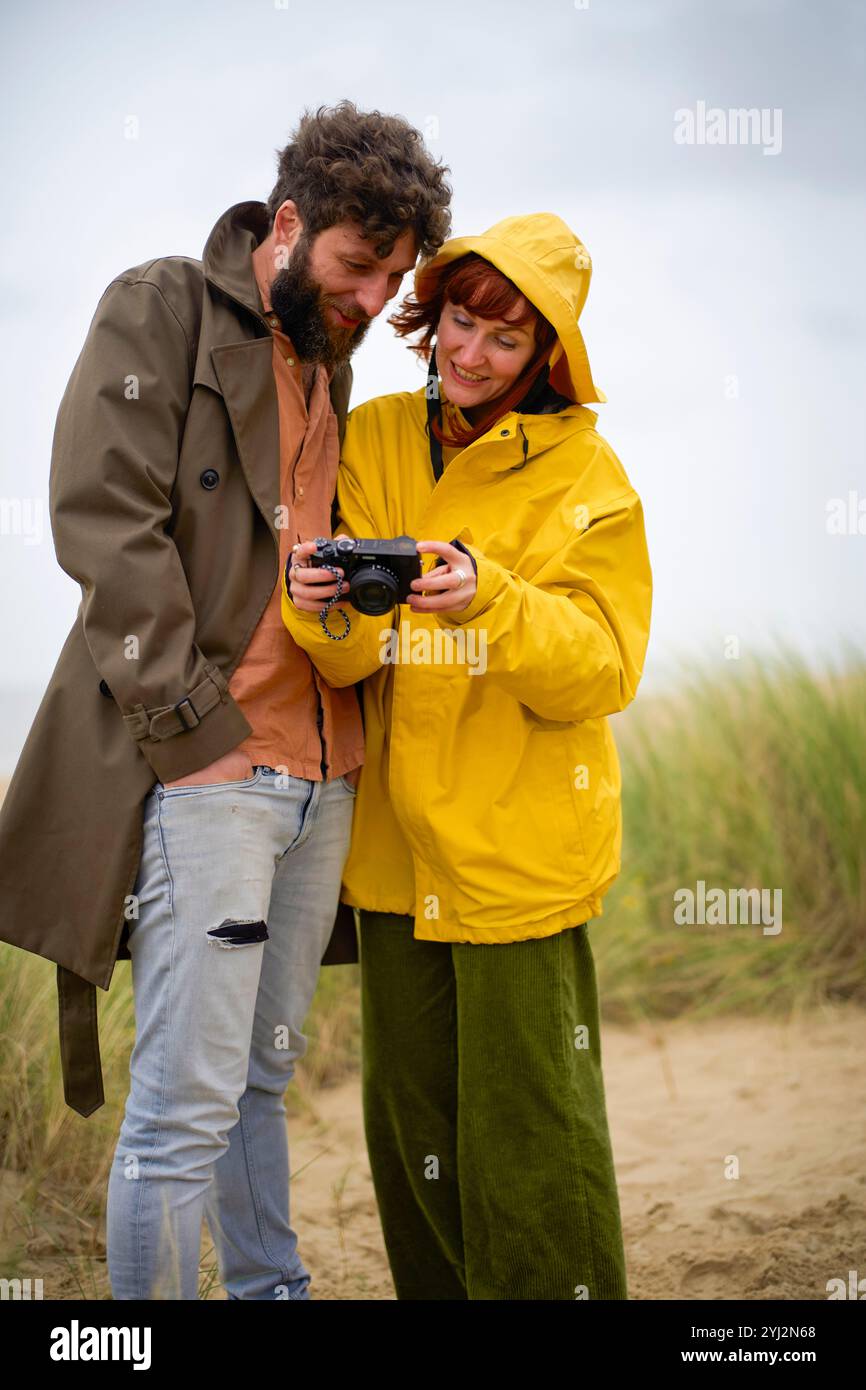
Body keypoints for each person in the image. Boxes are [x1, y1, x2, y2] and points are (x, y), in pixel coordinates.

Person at [0, 100, 452, 1300]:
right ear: (288, 225)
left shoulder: (329, 358)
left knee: (258, 1083)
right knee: (181, 1109)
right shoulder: (160, 306)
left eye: (393, 278)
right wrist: (195, 737)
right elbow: (103, 520)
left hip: (325, 779)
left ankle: (270, 1292)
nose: (372, 298)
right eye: (359, 265)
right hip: (215, 776)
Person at [282, 211, 653, 1300]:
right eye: (459, 322)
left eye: (505, 337)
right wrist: (320, 606)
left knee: (532, 1135)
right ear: (431, 315)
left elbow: (601, 668)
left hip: (517, 858)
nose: (472, 354)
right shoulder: (378, 434)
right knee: (415, 1136)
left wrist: (492, 597)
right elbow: (350, 656)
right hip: (396, 860)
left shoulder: (588, 474)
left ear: (546, 354)